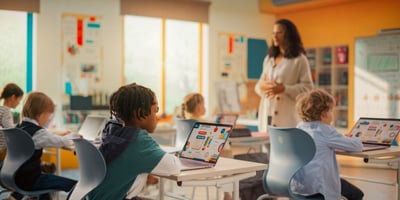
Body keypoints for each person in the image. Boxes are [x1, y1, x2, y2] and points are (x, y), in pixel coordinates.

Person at [88, 83, 181, 200]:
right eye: (155, 110)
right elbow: (174, 167)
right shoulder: (139, 142)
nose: (156, 117)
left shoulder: (113, 130)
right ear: (139, 112)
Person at [292, 89, 364, 200]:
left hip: (299, 186)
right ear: (323, 114)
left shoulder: (299, 127)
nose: (332, 114)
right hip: (319, 187)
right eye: (331, 111)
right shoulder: (325, 131)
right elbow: (357, 146)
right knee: (357, 194)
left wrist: (340, 138)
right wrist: (346, 138)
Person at [10, 92, 79, 200]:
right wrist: (75, 135)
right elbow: (63, 141)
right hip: (30, 180)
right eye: (49, 115)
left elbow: (45, 134)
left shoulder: (19, 127)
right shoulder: (39, 133)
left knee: (46, 182)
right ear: (41, 114)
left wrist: (57, 132)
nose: (49, 118)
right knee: (76, 186)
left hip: (13, 177)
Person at [255, 18, 313, 132]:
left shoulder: (300, 60)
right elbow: (258, 86)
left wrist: (284, 89)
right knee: (266, 148)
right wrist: (262, 87)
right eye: (273, 33)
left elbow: (308, 89)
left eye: (279, 33)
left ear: (289, 35)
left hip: (288, 119)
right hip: (267, 116)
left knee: (285, 149)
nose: (275, 36)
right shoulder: (268, 59)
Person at [179, 92, 233, 200]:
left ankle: (227, 192)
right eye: (203, 105)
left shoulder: (183, 121)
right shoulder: (201, 123)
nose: (205, 107)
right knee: (228, 154)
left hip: (186, 157)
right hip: (203, 157)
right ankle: (228, 193)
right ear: (199, 107)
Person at [0, 83, 24, 159]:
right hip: (2, 150)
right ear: (13, 97)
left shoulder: (1, 109)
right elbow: (10, 130)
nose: (19, 103)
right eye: (19, 99)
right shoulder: (6, 111)